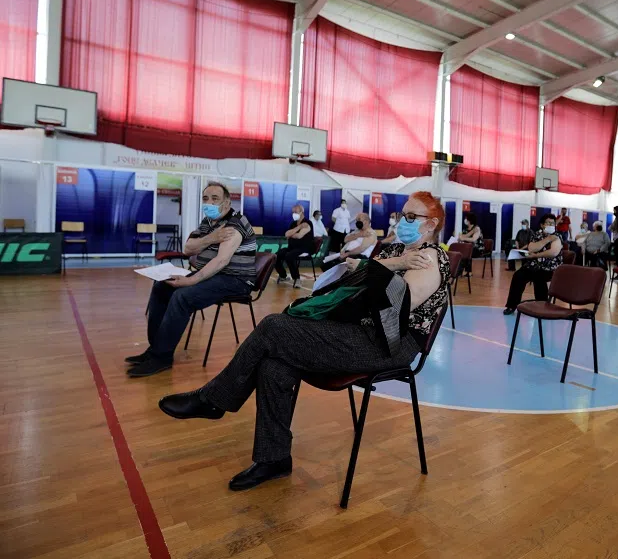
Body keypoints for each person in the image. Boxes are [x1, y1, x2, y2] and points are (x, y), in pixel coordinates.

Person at [157, 191, 450, 491]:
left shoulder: (431, 258)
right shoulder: (398, 252)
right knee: (273, 364)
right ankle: (274, 459)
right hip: (359, 329)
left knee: (272, 327)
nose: (404, 222)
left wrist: (370, 269)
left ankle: (213, 400)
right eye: (403, 215)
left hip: (388, 343)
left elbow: (395, 308)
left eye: (412, 217)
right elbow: (359, 280)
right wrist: (385, 266)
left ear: (432, 225)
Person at [126, 182, 257, 377]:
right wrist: (212, 237)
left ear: (227, 202)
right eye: (205, 199)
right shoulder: (208, 222)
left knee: (182, 296)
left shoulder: (235, 223)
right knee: (162, 286)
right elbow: (188, 248)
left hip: (234, 280)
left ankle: (162, 357)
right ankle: (155, 350)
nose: (209, 203)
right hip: (210, 275)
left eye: (215, 199)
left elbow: (221, 261)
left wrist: (191, 280)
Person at [503, 214, 563, 315]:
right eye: (548, 223)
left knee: (539, 277)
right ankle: (511, 305)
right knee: (518, 275)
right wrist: (547, 240)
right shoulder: (536, 234)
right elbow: (531, 248)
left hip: (550, 268)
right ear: (542, 225)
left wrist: (536, 254)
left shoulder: (557, 236)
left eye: (553, 223)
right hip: (533, 265)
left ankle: (542, 306)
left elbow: (553, 252)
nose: (551, 225)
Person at [275, 205, 314, 287]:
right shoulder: (293, 223)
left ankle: (297, 279)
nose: (293, 214)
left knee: (289, 256)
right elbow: (286, 234)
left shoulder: (307, 223)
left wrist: (291, 234)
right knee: (276, 255)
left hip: (303, 248)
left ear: (301, 212)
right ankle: (283, 275)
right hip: (292, 247)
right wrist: (299, 227)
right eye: (293, 212)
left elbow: (299, 236)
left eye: (295, 212)